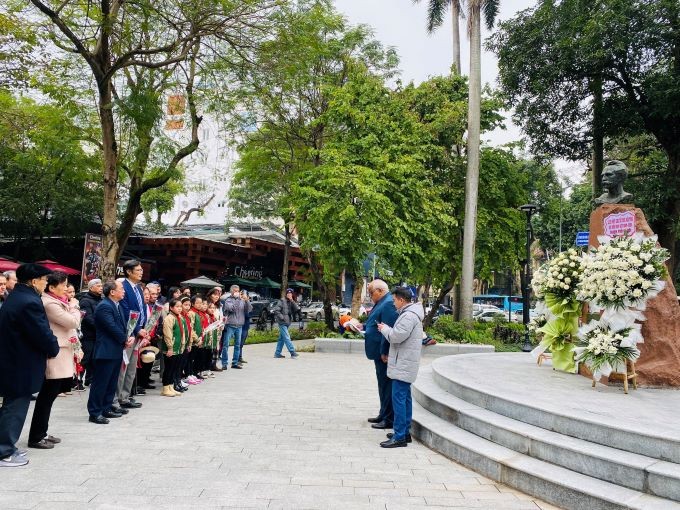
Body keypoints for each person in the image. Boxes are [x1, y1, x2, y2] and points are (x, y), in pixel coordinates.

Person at [0, 264, 59, 467]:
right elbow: (41, 333)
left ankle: (8, 446)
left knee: (13, 404)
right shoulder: (29, 302)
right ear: (34, 281)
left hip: (15, 360)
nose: (46, 283)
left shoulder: (18, 297)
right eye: (44, 280)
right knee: (15, 407)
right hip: (20, 363)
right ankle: (4, 451)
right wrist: (53, 348)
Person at [27, 272, 81, 449]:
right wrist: (74, 306)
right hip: (55, 355)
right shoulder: (49, 303)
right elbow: (73, 322)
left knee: (50, 397)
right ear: (51, 287)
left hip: (65, 352)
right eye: (64, 286)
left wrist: (77, 348)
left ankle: (42, 432)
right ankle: (36, 435)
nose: (67, 290)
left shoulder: (58, 302)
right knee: (46, 396)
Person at [377, 287, 425, 448]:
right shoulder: (411, 314)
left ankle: (399, 436)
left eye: (394, 300)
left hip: (403, 364)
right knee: (405, 398)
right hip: (405, 362)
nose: (393, 303)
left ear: (402, 300)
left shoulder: (408, 316)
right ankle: (404, 432)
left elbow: (396, 336)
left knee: (399, 399)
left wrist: (384, 329)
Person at [87, 280, 132, 424]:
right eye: (121, 289)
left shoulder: (116, 305)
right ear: (112, 292)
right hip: (105, 350)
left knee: (111, 382)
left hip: (115, 349)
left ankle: (106, 408)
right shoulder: (104, 306)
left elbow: (121, 325)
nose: (124, 291)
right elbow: (111, 327)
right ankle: (95, 412)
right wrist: (125, 339)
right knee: (101, 382)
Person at [363, 279, 399, 430]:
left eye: (371, 292)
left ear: (380, 290)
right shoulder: (382, 302)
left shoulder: (389, 303)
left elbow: (388, 330)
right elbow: (376, 323)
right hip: (377, 352)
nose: (370, 296)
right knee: (382, 385)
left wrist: (385, 351)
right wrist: (363, 326)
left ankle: (389, 419)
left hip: (383, 353)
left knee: (386, 386)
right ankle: (383, 413)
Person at [116, 260, 147, 410]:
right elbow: (126, 310)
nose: (141, 272)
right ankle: (116, 398)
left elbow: (141, 309)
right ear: (128, 271)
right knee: (123, 366)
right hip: (128, 333)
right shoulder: (123, 286)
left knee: (132, 367)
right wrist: (136, 330)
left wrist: (143, 328)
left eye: (141, 270)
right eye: (138, 270)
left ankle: (125, 396)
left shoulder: (139, 288)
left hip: (139, 332)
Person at [220, 285, 252, 369]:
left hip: (240, 326)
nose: (237, 292)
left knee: (237, 345)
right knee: (226, 345)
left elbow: (249, 309)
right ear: (231, 292)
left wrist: (246, 300)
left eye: (238, 291)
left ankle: (235, 362)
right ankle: (224, 363)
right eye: (235, 291)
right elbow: (232, 309)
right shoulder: (228, 300)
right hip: (230, 325)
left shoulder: (242, 300)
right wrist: (238, 300)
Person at [79, 279, 103, 387]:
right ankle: (77, 381)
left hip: (97, 335)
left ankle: (90, 379)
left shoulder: (101, 300)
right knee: (85, 358)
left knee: (94, 359)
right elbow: (88, 318)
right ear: (91, 288)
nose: (101, 288)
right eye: (98, 286)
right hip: (88, 335)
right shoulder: (85, 300)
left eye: (101, 286)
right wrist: (102, 327)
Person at [160, 299, 185, 397]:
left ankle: (171, 387)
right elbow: (167, 334)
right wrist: (170, 347)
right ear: (171, 307)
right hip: (171, 349)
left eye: (180, 306)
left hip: (178, 348)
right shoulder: (169, 318)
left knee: (174, 368)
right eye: (177, 306)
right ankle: (165, 388)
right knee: (169, 369)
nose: (179, 308)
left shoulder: (180, 317)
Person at [272, 289, 300, 359]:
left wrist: (292, 301)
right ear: (286, 294)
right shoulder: (282, 301)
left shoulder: (291, 302)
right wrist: (282, 318)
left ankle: (277, 353)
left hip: (287, 322)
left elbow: (297, 309)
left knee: (281, 339)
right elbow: (276, 310)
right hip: (282, 322)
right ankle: (292, 352)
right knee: (287, 337)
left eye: (290, 294)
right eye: (288, 293)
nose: (289, 295)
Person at [239, 289, 251, 364]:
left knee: (242, 343)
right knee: (238, 343)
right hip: (239, 325)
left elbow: (249, 313)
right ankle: (237, 358)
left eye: (245, 294)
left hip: (245, 325)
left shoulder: (248, 303)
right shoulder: (239, 303)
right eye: (242, 294)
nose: (243, 296)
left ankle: (239, 357)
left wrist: (247, 301)